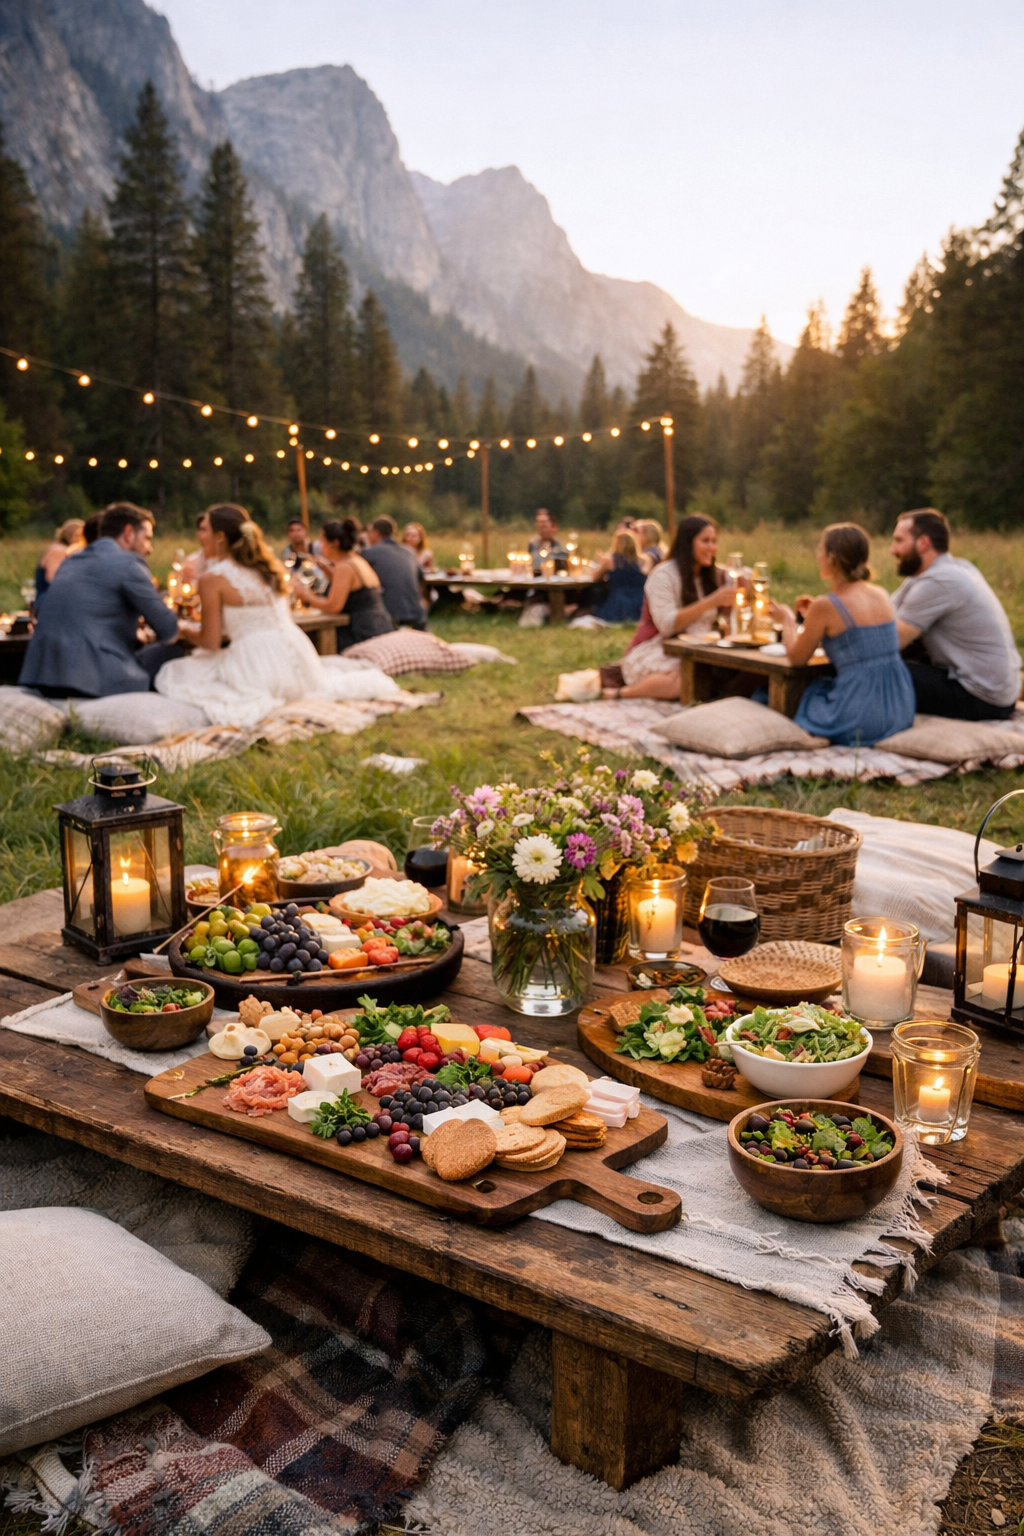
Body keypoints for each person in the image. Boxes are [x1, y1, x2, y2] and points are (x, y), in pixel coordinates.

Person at [155, 504, 384, 727]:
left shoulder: (212, 579)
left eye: (204, 529)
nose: (199, 535)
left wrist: (182, 628)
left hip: (256, 662)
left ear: (220, 537)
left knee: (173, 674)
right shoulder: (270, 568)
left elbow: (211, 642)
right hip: (298, 655)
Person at [770, 522, 915, 746]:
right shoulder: (880, 594)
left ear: (831, 558)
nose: (818, 557)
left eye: (820, 550)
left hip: (862, 713)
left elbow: (797, 659)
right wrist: (815, 617)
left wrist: (787, 620)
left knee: (807, 696)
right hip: (900, 705)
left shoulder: (825, 606)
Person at [21, 503, 180, 698]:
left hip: (44, 677)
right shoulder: (127, 562)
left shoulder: (72, 561)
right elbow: (169, 630)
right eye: (147, 538)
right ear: (128, 533)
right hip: (93, 679)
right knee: (175, 650)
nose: (150, 548)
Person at [890, 509, 1021, 720]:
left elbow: (889, 642)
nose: (892, 549)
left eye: (899, 541)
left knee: (878, 672)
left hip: (982, 698)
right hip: (998, 693)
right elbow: (886, 610)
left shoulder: (940, 581)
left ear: (923, 543)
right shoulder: (954, 568)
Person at [606, 514, 736, 699]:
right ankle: (622, 694)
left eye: (714, 541)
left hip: (705, 649)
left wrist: (743, 597)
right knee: (686, 680)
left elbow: (729, 618)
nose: (712, 548)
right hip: (661, 648)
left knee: (730, 674)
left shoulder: (714, 575)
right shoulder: (664, 575)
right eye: (705, 541)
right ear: (688, 542)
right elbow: (666, 626)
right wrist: (711, 601)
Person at [290, 518, 393, 648]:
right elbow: (352, 588)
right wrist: (327, 571)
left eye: (322, 541)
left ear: (334, 543)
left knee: (309, 641)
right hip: (380, 625)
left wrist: (305, 595)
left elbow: (333, 607)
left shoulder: (344, 567)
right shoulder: (356, 560)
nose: (320, 546)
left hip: (363, 633)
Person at [362, 515, 427, 629]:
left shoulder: (369, 553)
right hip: (417, 615)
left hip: (388, 617)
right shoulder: (410, 552)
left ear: (375, 532)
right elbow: (421, 579)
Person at [588, 530, 646, 625]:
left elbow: (595, 577)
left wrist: (591, 567)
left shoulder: (610, 560)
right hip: (639, 602)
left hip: (619, 603)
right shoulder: (643, 561)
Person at [33, 518, 84, 610]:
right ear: (69, 536)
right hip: (49, 605)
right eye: (79, 536)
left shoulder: (65, 550)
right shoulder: (59, 551)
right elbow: (54, 581)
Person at [528, 508, 568, 574]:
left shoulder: (562, 547)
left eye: (544, 526)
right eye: (539, 526)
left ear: (554, 527)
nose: (542, 530)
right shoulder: (533, 544)